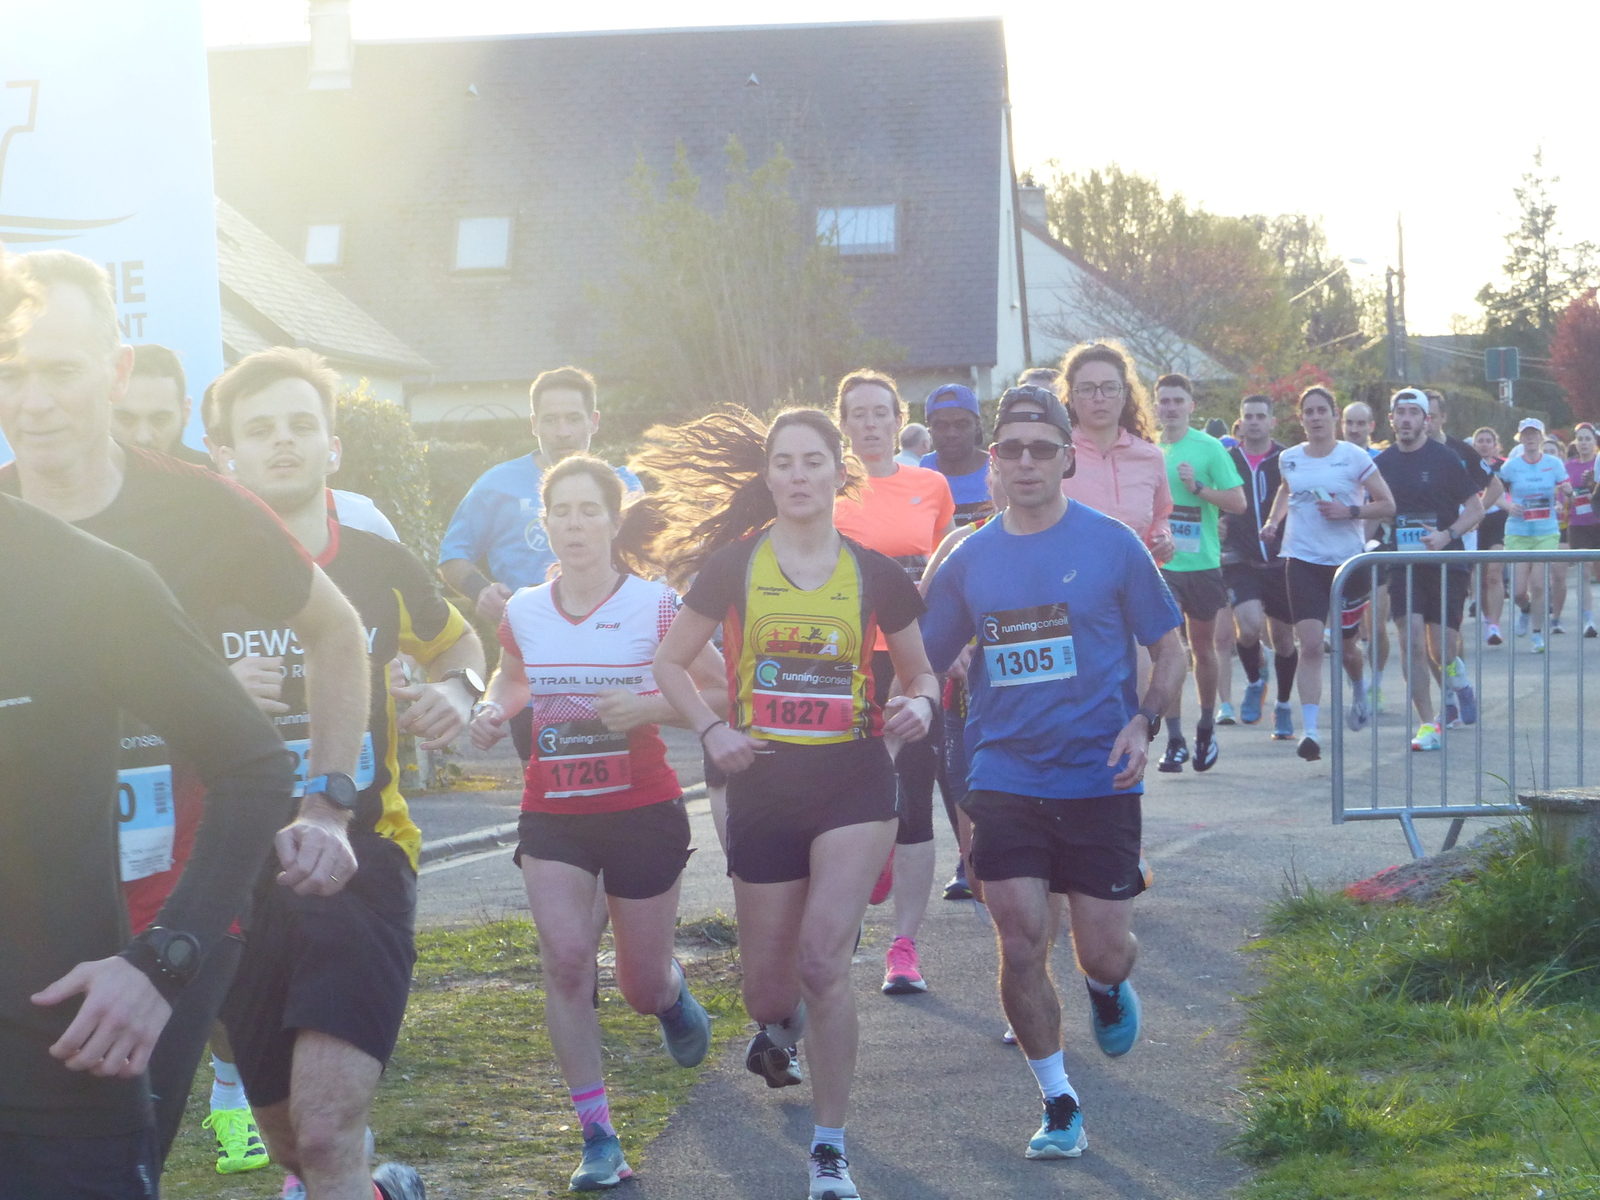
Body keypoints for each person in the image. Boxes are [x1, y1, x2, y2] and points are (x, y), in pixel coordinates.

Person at [0, 250, 381, 1181]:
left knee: (121, 1153)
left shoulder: (201, 511)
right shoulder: (12, 529)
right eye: (12, 373)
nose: (34, 401)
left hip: (176, 898)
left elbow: (338, 631)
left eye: (61, 370)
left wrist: (328, 803)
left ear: (116, 373)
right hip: (36, 904)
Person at [207, 346, 487, 1200]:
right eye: (260, 429)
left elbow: (462, 646)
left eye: (302, 425)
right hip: (235, 871)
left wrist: (457, 691)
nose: (283, 441)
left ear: (332, 447)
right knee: (292, 1144)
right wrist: (214, 691)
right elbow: (127, 704)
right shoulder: (188, 576)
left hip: (361, 858)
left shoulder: (379, 563)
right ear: (225, 455)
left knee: (328, 1136)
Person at [647, 407, 937, 1200]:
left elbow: (921, 673)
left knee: (822, 963)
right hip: (765, 783)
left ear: (840, 473)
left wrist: (920, 705)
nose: (800, 475)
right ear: (768, 476)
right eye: (785, 462)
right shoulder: (734, 566)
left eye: (814, 461)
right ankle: (784, 1023)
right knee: (769, 994)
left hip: (853, 781)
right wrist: (712, 729)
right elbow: (670, 663)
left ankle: (829, 1150)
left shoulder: (875, 573)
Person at [921, 386, 1185, 1162]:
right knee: (1021, 935)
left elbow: (1171, 648)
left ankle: (1106, 986)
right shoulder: (968, 560)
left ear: (1068, 459)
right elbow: (921, 656)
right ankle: (1059, 1099)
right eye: (1012, 449)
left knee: (1102, 951)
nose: (1026, 461)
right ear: (994, 461)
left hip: (1099, 773)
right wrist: (911, 689)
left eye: (1042, 448)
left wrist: (1146, 720)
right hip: (1003, 772)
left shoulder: (1112, 544)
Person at [467, 455, 722, 1192]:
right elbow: (514, 677)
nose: (575, 525)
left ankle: (669, 994)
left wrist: (649, 706)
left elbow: (719, 692)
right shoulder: (523, 609)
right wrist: (492, 709)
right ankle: (598, 1134)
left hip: (642, 807)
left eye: (589, 511)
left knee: (637, 985)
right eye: (562, 512)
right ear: (544, 523)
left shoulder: (657, 606)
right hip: (553, 809)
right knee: (568, 959)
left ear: (613, 523)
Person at [438, 366, 641, 761]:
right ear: (534, 424)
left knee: (630, 784)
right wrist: (482, 592)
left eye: (573, 418)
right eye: (550, 420)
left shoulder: (625, 486)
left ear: (594, 421)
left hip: (614, 674)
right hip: (533, 679)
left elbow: (652, 566)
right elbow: (451, 557)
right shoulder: (496, 485)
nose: (563, 432)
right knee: (548, 785)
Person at [832, 371, 954, 997]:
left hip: (912, 662)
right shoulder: (828, 491)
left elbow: (942, 580)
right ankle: (842, 916)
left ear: (898, 420)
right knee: (844, 796)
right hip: (841, 666)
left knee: (914, 797)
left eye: (881, 412)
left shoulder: (930, 486)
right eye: (858, 414)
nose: (871, 424)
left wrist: (954, 650)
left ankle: (903, 948)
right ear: (843, 424)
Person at [1262, 387, 1395, 760]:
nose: (1316, 417)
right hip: (1302, 561)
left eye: (1322, 410)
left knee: (1348, 648)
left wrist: (1349, 512)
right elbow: (1285, 491)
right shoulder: (1290, 458)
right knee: (1310, 645)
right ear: (1301, 418)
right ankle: (1310, 732)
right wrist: (1273, 522)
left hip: (1346, 563)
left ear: (1334, 416)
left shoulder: (1353, 457)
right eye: (1309, 411)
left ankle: (1359, 688)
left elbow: (1388, 504)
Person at [1374, 389, 1486, 751]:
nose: (1406, 419)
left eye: (1413, 412)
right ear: (1392, 419)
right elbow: (1373, 511)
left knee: (1442, 649)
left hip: (1445, 561)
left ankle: (1458, 679)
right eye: (1400, 412)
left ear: (1426, 420)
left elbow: (1476, 509)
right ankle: (1427, 724)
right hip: (1404, 564)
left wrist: (1446, 535)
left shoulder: (1445, 458)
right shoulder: (1382, 463)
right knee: (1411, 643)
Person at [1153, 373, 1246, 772]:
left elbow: (1238, 503)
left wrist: (1199, 489)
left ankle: (1205, 726)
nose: (1171, 407)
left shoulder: (1209, 448)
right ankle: (1174, 738)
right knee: (1168, 647)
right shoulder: (1148, 448)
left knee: (1202, 648)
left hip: (1203, 563)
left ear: (1191, 406)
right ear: (1155, 406)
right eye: (1165, 401)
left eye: (1178, 401)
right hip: (1163, 563)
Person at [1220, 395, 1297, 735]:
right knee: (1249, 628)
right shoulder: (1227, 460)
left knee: (1284, 641)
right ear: (1240, 422)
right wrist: (1217, 521)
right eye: (1248, 416)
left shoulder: (1287, 459)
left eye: (1260, 416)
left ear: (1271, 422)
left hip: (1282, 560)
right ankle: (1255, 680)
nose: (1253, 422)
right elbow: (1212, 500)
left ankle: (1283, 705)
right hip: (1240, 558)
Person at [1496, 417, 1572, 654]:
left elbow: (1567, 490)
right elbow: (1494, 493)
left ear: (1541, 437)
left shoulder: (1553, 463)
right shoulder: (1511, 466)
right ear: (1520, 438)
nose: (1530, 438)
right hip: (1518, 531)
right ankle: (1526, 609)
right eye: (1526, 434)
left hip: (1546, 531)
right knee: (1518, 591)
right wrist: (1508, 506)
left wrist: (1566, 494)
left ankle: (1537, 634)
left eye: (1534, 434)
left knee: (1539, 584)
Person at [112, 344, 211, 465]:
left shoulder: (217, 475)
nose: (143, 438)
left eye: (160, 419)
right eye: (126, 419)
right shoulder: (88, 474)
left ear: (186, 413)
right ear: (104, 413)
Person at [919, 384, 993, 526]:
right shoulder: (922, 473)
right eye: (941, 425)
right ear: (930, 430)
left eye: (962, 424)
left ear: (977, 426)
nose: (951, 434)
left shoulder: (997, 471)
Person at [1471, 426, 1510, 644]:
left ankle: (1495, 625)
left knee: (1495, 574)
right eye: (1480, 441)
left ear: (1495, 445)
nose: (1484, 445)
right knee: (1482, 578)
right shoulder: (1467, 466)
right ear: (1474, 445)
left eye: (1488, 441)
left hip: (1498, 522)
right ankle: (1488, 620)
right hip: (1475, 523)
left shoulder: (1504, 467)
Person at [1565, 423, 1599, 637]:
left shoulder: (1599, 462)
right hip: (1578, 524)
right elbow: (1563, 494)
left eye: (1588, 439)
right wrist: (1565, 499)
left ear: (1595, 442)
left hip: (1598, 522)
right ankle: (1588, 620)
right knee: (1583, 571)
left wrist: (1593, 486)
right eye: (1580, 439)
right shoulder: (1568, 467)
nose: (1584, 443)